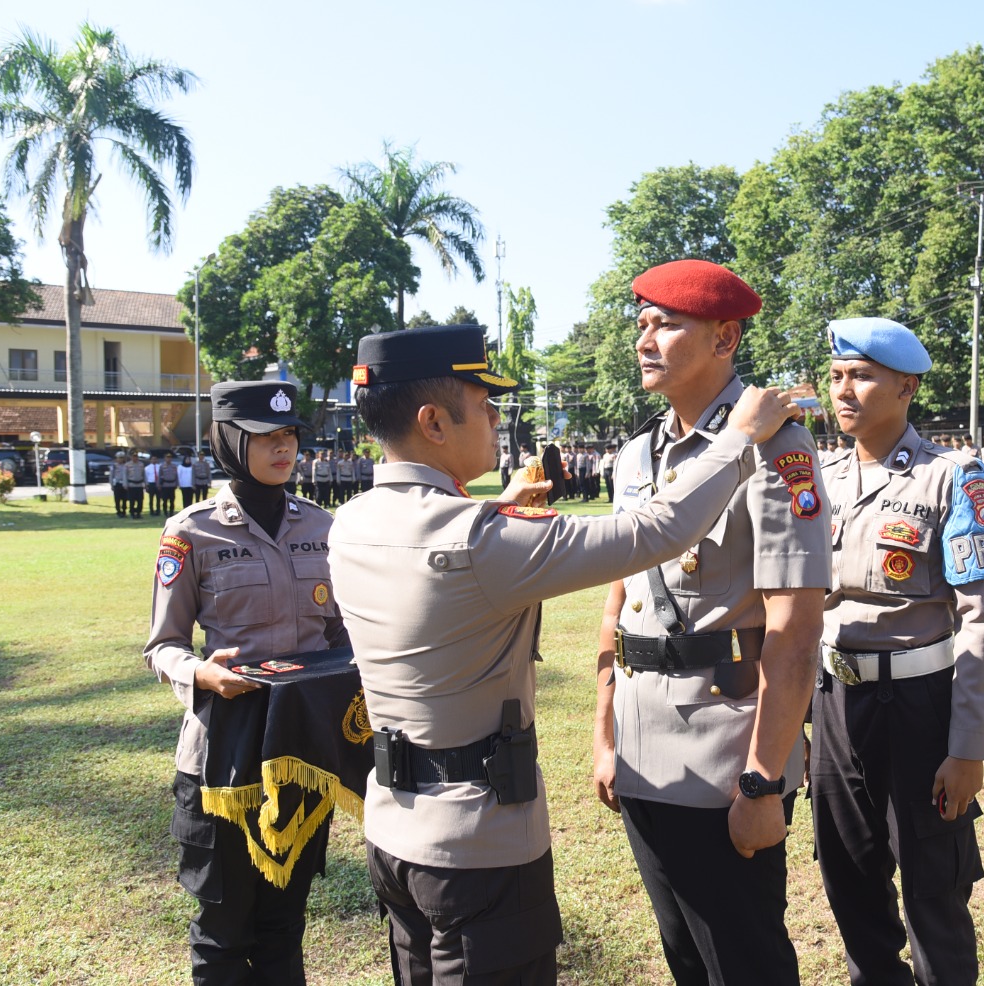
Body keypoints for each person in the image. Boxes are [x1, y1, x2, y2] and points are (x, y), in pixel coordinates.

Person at [327, 324, 800, 985]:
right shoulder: (479, 542)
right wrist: (738, 438)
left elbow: (437, 552)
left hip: (395, 830)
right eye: (483, 403)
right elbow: (656, 530)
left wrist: (497, 510)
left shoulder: (350, 523)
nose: (496, 418)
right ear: (433, 421)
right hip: (477, 846)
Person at [594, 260, 830, 986]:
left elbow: (794, 630)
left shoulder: (778, 448)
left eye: (667, 323)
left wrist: (761, 783)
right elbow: (618, 598)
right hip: (641, 746)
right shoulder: (636, 454)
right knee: (684, 956)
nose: (645, 338)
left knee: (745, 962)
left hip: (724, 755)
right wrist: (604, 735)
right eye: (642, 324)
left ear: (726, 336)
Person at [815, 317, 984, 985]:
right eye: (837, 377)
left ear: (906, 386)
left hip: (918, 706)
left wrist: (969, 749)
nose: (845, 391)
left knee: (933, 888)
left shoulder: (951, 478)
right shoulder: (819, 476)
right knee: (848, 878)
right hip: (834, 701)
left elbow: (980, 618)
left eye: (862, 376)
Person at [144, 381, 346, 984]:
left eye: (290, 436)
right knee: (224, 928)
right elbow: (163, 645)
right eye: (267, 436)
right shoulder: (192, 532)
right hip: (224, 750)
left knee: (286, 922)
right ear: (232, 441)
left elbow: (342, 635)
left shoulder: (322, 525)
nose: (284, 448)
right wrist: (199, 673)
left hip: (303, 746)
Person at [125, 453, 146, 519]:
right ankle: (132, 513)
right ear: (131, 457)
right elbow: (125, 475)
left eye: (136, 457)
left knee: (140, 500)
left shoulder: (141, 464)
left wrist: (146, 483)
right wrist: (125, 484)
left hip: (139, 485)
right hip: (131, 485)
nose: (135, 458)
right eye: (133, 457)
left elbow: (144, 475)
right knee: (132, 501)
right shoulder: (127, 465)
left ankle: (138, 513)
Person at [111, 451, 130, 518]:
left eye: (122, 458)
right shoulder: (114, 466)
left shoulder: (126, 465)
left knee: (125, 499)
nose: (120, 459)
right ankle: (118, 512)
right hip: (117, 483)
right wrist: (112, 485)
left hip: (124, 484)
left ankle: (124, 511)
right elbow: (111, 476)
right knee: (117, 499)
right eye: (119, 458)